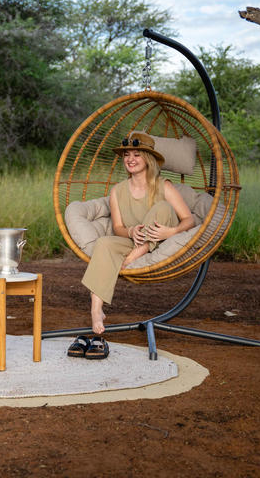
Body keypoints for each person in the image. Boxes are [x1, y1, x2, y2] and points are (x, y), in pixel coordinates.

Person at [68, 132, 194, 359]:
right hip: (132, 241)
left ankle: (141, 250)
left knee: (163, 208)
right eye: (127, 155)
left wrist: (171, 232)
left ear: (148, 159)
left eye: (137, 154)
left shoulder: (163, 186)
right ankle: (96, 309)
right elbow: (117, 227)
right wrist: (131, 231)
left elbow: (188, 220)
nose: (130, 159)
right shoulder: (118, 191)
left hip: (160, 238)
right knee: (104, 243)